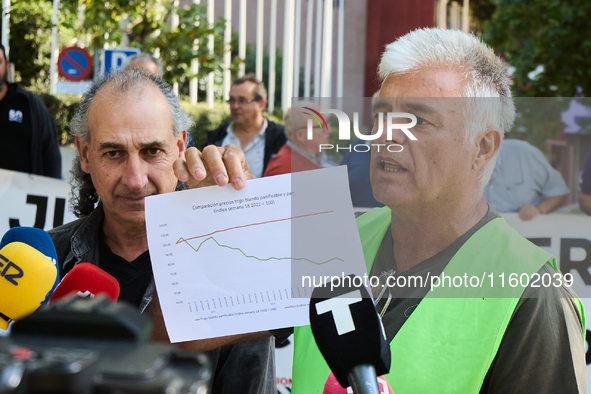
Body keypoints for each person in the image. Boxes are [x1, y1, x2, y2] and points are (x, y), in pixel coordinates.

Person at [291, 28, 585, 393]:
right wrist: (212, 203)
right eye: (382, 115)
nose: (386, 135)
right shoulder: (335, 241)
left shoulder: (532, 296)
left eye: (417, 121)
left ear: (482, 147)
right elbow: (228, 334)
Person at [48, 68, 276, 393]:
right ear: (84, 153)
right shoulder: (44, 261)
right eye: (113, 153)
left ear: (181, 146)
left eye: (152, 151)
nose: (135, 179)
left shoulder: (228, 272)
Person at [0, 43, 62, 179]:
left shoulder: (30, 105)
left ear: (7, 66)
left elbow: (51, 155)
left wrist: (50, 189)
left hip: (20, 198)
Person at [206, 74, 286, 178]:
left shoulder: (281, 138)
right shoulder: (217, 136)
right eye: (232, 100)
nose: (235, 106)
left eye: (242, 100)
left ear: (262, 104)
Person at [484, 138, 569, 221]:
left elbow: (559, 191)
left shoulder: (523, 152)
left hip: (523, 232)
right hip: (480, 233)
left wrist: (539, 209)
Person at [263, 102, 333, 176]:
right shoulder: (283, 171)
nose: (329, 130)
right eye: (322, 126)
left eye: (327, 123)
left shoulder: (314, 159)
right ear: (300, 135)